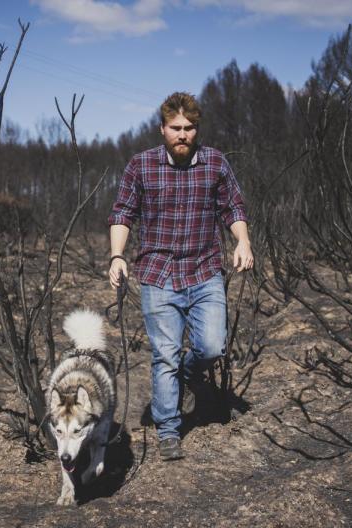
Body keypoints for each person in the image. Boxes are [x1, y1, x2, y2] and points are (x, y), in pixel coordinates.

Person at [107, 92, 254, 461]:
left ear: (196, 129)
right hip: (158, 274)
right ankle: (169, 430)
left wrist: (243, 241)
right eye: (176, 128)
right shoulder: (141, 165)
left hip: (204, 271)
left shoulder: (215, 163)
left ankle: (191, 376)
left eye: (189, 128)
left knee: (211, 347)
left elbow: (232, 206)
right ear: (162, 129)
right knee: (165, 355)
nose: (183, 134)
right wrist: (117, 256)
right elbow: (123, 213)